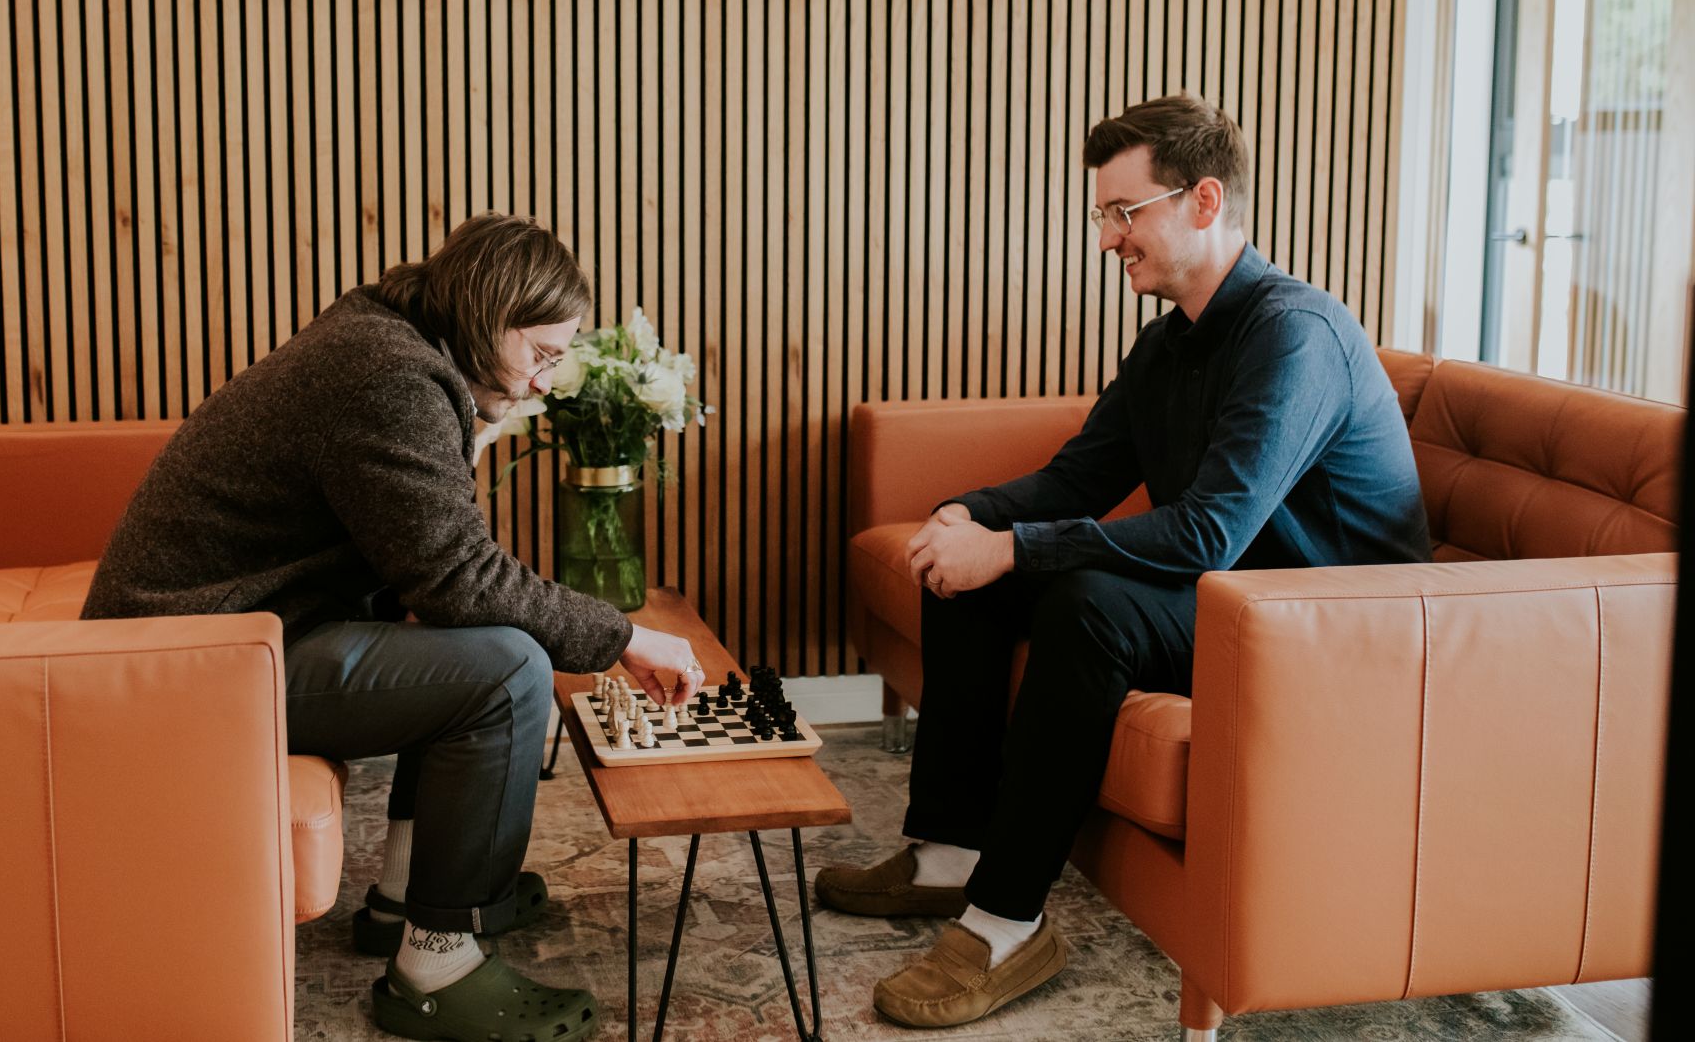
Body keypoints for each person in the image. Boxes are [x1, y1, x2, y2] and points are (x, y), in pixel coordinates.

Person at [815, 94, 1431, 1029]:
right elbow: (1079, 477)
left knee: (1084, 605)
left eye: (1124, 212)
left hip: (1326, 625)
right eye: (1104, 214)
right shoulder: (1169, 342)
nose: (1109, 238)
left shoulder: (1292, 335)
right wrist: (963, 519)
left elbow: (1208, 532)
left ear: (1204, 200)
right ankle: (948, 853)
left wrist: (1011, 546)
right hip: (1232, 599)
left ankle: (1009, 923)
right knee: (967, 572)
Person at [83, 213, 702, 1042]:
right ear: (487, 319)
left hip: (226, 637)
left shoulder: (396, 343)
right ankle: (436, 964)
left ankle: (407, 896)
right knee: (506, 668)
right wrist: (625, 638)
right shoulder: (388, 373)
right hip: (181, 665)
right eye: (543, 354)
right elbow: (461, 576)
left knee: (465, 638)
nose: (549, 382)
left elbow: (437, 574)